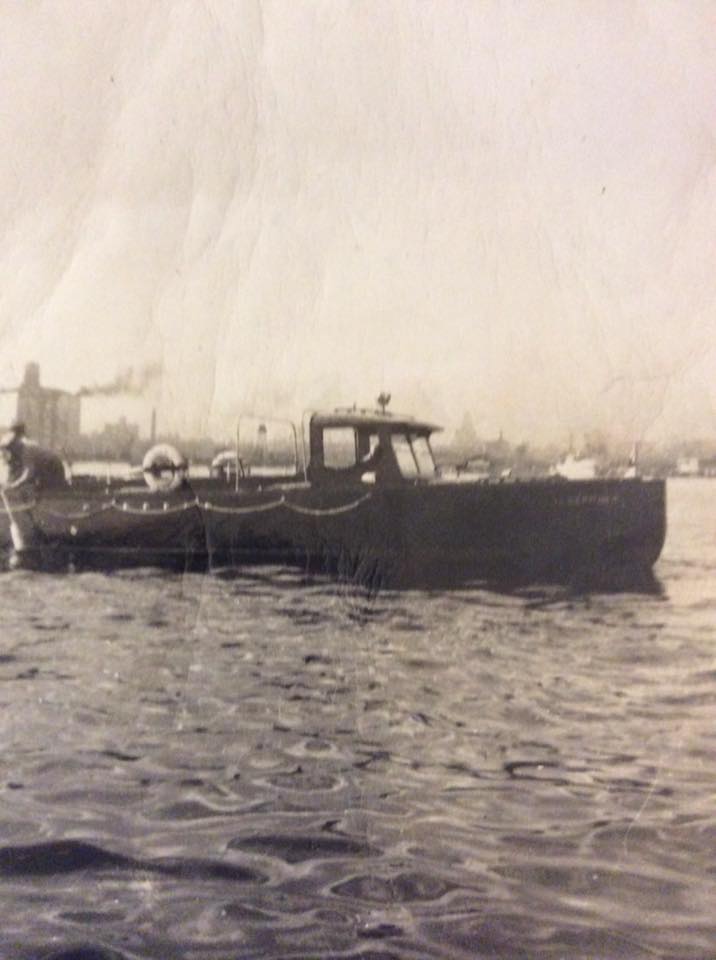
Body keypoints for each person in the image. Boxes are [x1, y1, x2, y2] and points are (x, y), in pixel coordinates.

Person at [0, 422, 68, 491]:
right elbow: (15, 473)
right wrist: (8, 485)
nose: (10, 451)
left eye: (10, 448)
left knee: (28, 484)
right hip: (45, 470)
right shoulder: (18, 452)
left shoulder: (27, 449)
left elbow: (28, 473)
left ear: (15, 445)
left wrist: (14, 485)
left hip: (53, 469)